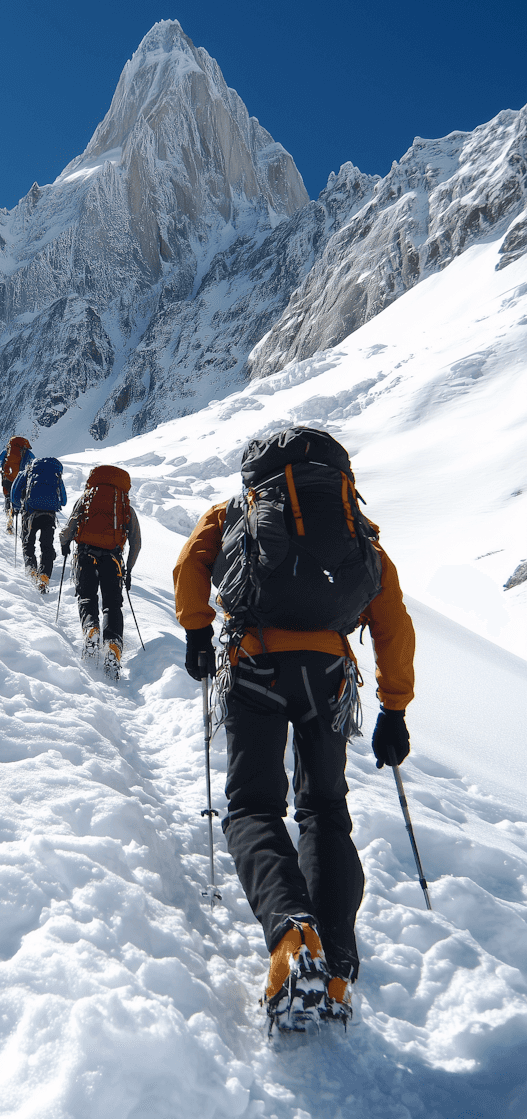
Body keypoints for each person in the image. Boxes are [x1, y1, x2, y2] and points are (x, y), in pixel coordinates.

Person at [173, 427, 415, 1033]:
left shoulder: (236, 510)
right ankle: (336, 959)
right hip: (329, 676)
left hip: (254, 666)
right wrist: (394, 709)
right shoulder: (353, 527)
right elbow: (392, 618)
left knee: (253, 806)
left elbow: (189, 563)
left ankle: (290, 937)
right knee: (325, 811)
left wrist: (198, 631)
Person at [58, 465, 141, 680]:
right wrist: (128, 570)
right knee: (113, 605)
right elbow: (136, 542)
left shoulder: (87, 498)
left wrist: (65, 543)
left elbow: (70, 526)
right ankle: (113, 645)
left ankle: (91, 629)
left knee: (87, 597)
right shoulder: (124, 505)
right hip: (113, 559)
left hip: (85, 555)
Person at [11, 457, 67, 592]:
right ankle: (44, 576)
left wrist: (19, 506)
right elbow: (64, 500)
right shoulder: (56, 475)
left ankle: (31, 569)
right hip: (49, 515)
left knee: (28, 542)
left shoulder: (28, 471)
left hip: (30, 513)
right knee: (46, 545)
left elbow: (14, 494)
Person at [0, 436, 34, 532]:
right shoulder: (27, 452)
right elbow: (34, 462)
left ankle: (9, 521)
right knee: (23, 500)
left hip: (7, 478)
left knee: (8, 497)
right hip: (21, 479)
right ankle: (25, 524)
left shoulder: (7, 451)